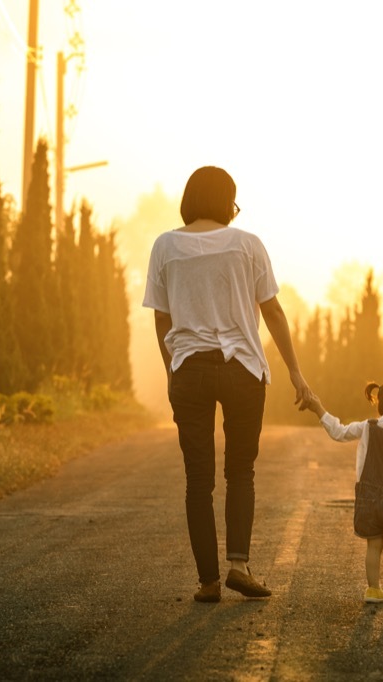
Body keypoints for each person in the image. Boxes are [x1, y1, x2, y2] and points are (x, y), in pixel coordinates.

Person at [142, 166, 312, 603]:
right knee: (241, 471)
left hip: (190, 368)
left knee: (197, 478)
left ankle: (208, 582)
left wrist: (171, 370)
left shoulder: (165, 245)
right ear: (226, 202)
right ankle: (239, 565)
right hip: (242, 368)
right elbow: (272, 312)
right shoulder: (247, 244)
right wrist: (295, 371)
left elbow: (162, 319)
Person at [301, 376, 383, 603]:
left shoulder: (367, 427)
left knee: (373, 543)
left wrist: (319, 408)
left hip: (367, 497)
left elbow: (338, 432)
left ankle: (373, 589)